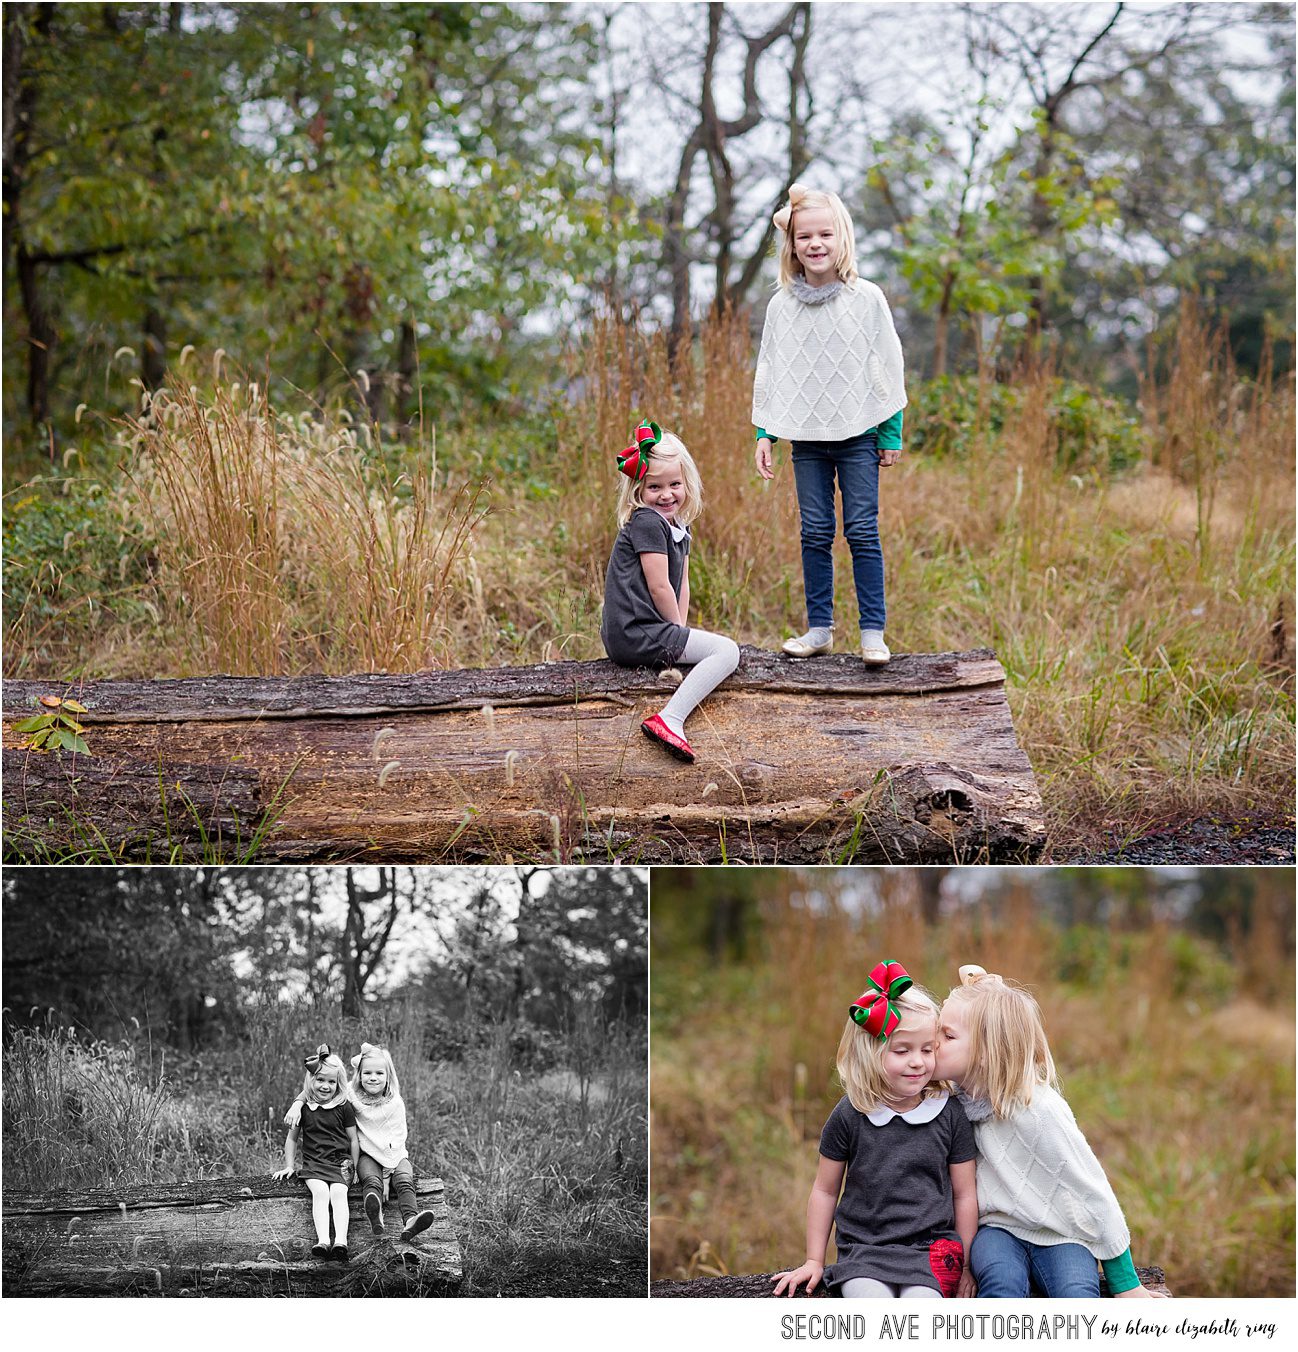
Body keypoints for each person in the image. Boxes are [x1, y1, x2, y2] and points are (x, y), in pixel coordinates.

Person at [937, 965, 1168, 1299]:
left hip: (1062, 1234)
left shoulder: (1040, 1111)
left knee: (1076, 1292)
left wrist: (1126, 1283)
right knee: (1002, 1284)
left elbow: (1093, 1193)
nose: (934, 1043)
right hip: (997, 1231)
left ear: (986, 1052)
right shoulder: (949, 1107)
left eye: (947, 1036)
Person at [752, 183, 906, 665]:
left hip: (859, 435)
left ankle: (873, 633)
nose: (815, 244)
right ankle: (820, 628)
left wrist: (890, 430)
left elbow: (887, 363)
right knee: (814, 532)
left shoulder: (866, 298)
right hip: (807, 440)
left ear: (842, 238)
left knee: (861, 530)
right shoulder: (782, 306)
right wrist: (765, 433)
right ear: (791, 246)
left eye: (825, 235)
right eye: (804, 237)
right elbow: (773, 368)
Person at [772, 961, 977, 1298]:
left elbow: (964, 1194)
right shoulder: (852, 1112)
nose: (918, 1061)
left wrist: (967, 1265)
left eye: (927, 1049)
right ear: (871, 1053)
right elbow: (825, 1190)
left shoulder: (949, 1112)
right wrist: (814, 1259)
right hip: (866, 1249)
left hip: (932, 1251)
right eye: (902, 1050)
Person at [600, 419, 740, 764]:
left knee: (715, 648)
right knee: (727, 652)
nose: (666, 495)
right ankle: (670, 719)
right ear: (638, 491)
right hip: (634, 632)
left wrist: (680, 633)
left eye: (674, 484)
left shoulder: (679, 524)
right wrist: (677, 634)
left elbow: (682, 584)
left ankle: (672, 713)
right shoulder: (647, 521)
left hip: (648, 628)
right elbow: (659, 585)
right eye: (654, 488)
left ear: (687, 483)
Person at [285, 1041, 436, 1243]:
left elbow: (399, 1138)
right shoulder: (350, 1095)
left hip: (395, 1154)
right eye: (367, 1073)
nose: (373, 1078)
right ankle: (377, 1217)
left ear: (389, 1076)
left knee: (404, 1179)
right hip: (367, 1155)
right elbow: (317, 1084)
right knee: (371, 1180)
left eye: (379, 1074)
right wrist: (297, 1104)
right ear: (359, 1075)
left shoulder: (395, 1103)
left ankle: (410, 1220)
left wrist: (387, 1174)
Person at [273, 1043, 359, 1261]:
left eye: (331, 1082)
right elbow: (292, 1138)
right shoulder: (303, 1107)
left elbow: (353, 1139)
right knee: (320, 1192)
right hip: (314, 1164)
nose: (325, 1086)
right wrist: (290, 1165)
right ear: (310, 1080)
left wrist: (355, 1169)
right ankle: (323, 1241)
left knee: (339, 1193)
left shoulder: (343, 1107)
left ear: (339, 1084)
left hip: (340, 1163)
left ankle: (341, 1241)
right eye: (320, 1080)